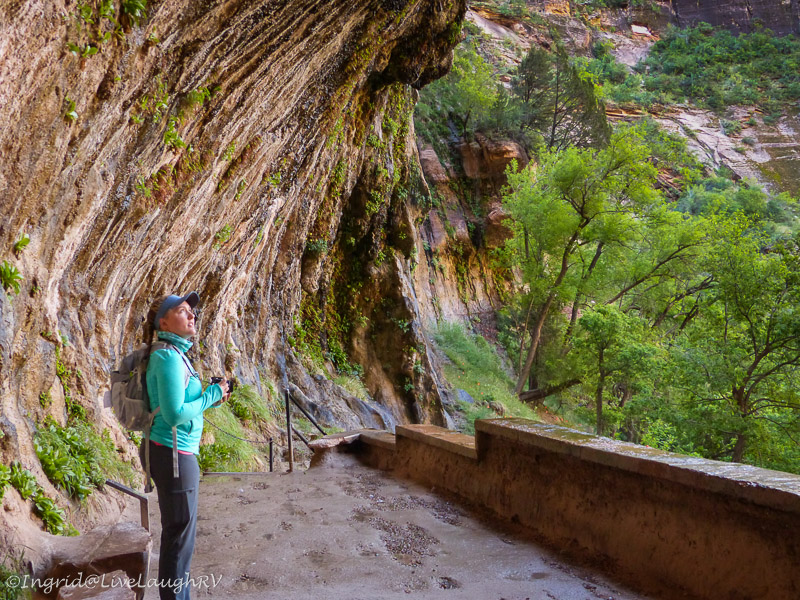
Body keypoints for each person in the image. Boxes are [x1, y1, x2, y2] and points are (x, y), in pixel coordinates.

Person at [142, 292, 230, 600]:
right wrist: (212, 396)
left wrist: (211, 396)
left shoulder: (175, 354)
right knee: (179, 541)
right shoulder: (166, 356)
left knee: (180, 539)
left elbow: (183, 405)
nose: (191, 315)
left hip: (175, 452)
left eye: (191, 311)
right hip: (173, 454)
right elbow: (175, 414)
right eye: (182, 311)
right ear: (163, 322)